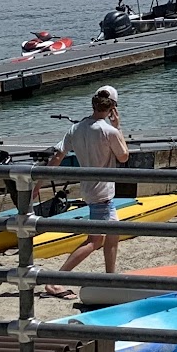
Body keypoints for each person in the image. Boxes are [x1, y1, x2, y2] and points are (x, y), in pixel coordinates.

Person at [47, 86, 130, 292]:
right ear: (112, 108)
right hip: (101, 191)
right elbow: (124, 156)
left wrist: (39, 182)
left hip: (90, 189)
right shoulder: (108, 130)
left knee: (113, 234)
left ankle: (111, 278)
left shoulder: (76, 128)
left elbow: (57, 156)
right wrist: (118, 127)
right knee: (94, 241)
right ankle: (55, 280)